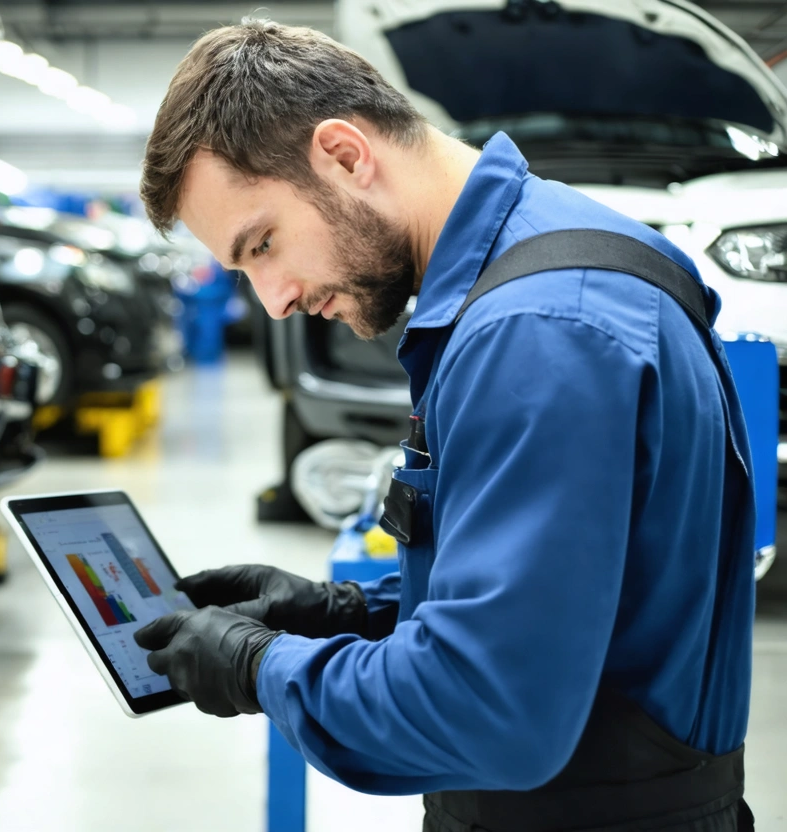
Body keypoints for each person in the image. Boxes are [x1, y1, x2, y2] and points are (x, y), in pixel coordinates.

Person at [131, 19, 758, 832]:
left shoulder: (536, 331)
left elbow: (485, 708)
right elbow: (578, 596)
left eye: (264, 244)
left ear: (345, 155)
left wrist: (259, 667)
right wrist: (345, 611)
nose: (275, 300)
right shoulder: (569, 250)